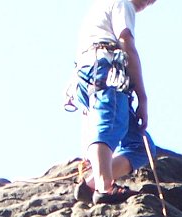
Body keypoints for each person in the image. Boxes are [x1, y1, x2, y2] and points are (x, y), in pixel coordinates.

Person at [67, 0, 157, 204]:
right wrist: (142, 97)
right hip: (105, 70)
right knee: (107, 125)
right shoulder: (122, 3)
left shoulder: (100, 8)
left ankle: (91, 183)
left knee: (141, 146)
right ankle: (104, 187)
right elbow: (126, 43)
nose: (150, 2)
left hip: (91, 73)